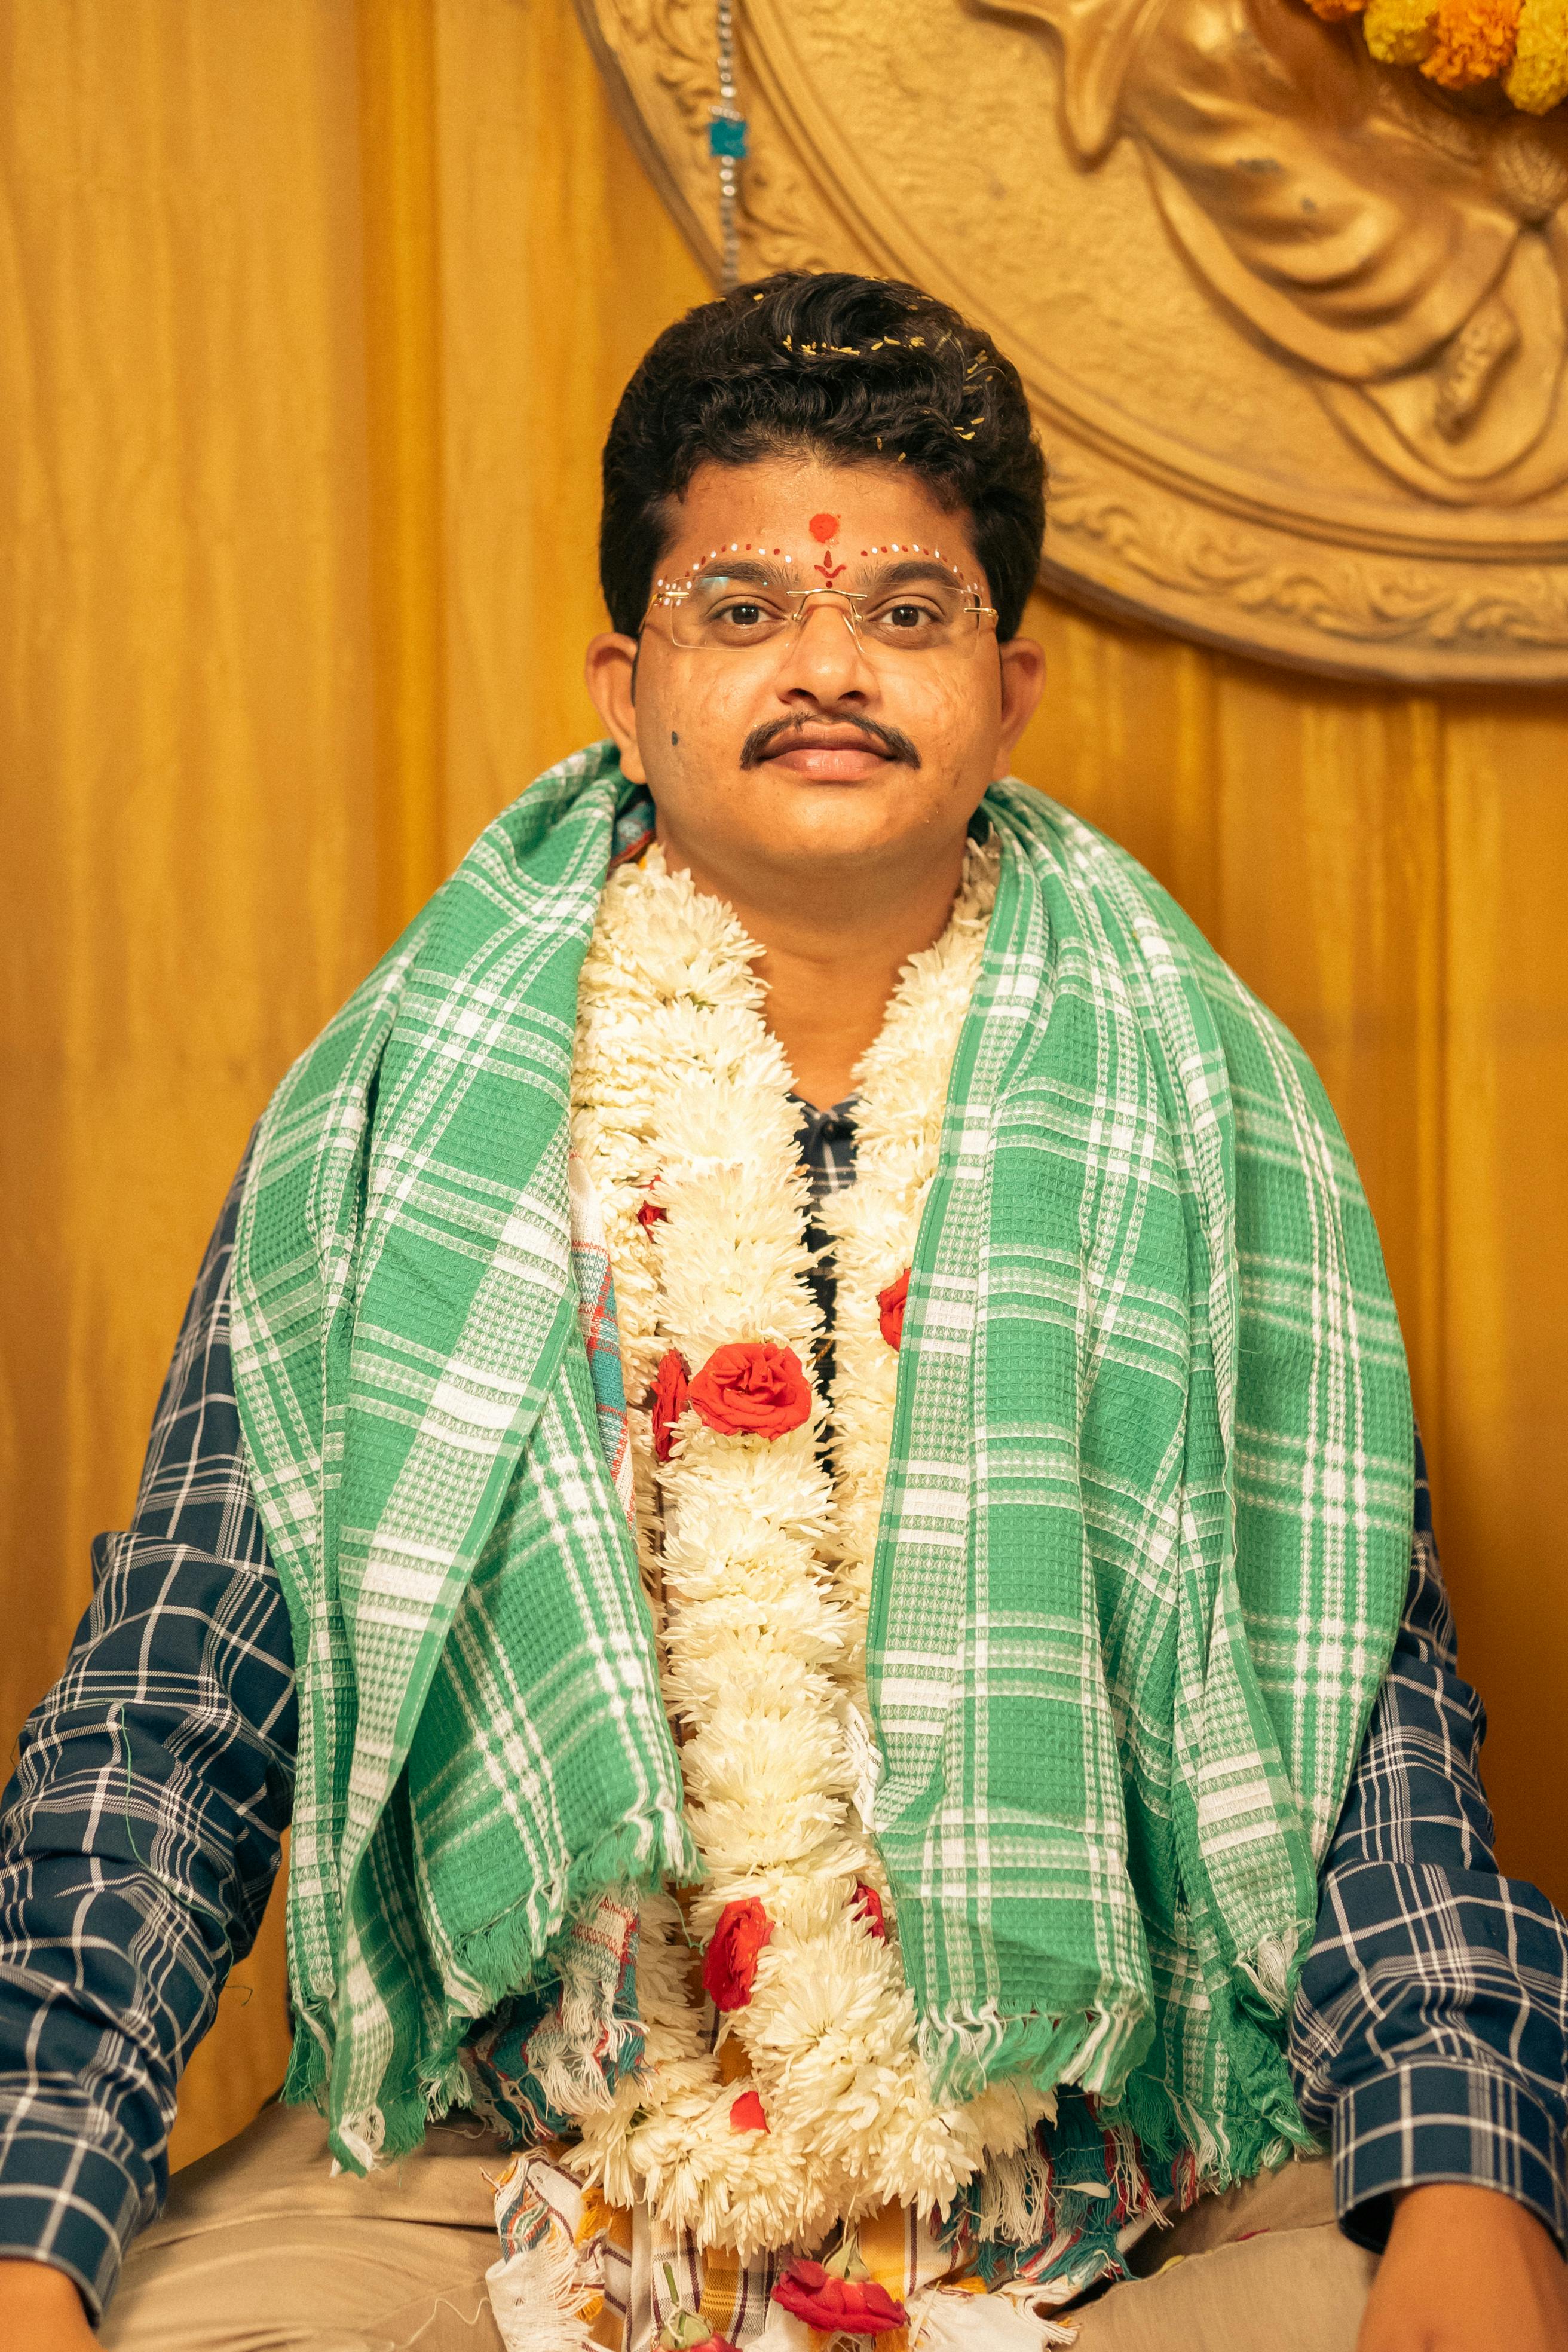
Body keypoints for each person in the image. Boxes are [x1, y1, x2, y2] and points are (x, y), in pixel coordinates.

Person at [1, 272, 1565, 2352]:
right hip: (525, 2150)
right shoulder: (402, 1123)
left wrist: (1466, 2159)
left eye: (905, 613)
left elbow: (1354, 1706)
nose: (828, 664)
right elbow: (176, 1710)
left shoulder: (1202, 1110)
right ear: (624, 683)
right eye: (743, 609)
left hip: (1107, 2137)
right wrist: (32, 2202)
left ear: (1008, 690)